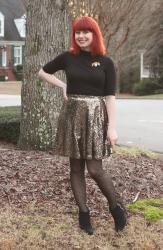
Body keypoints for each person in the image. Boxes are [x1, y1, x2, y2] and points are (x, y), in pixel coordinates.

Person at [38, 16, 127, 235]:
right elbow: (43, 72)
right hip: (72, 117)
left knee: (95, 169)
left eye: (86, 32)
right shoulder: (68, 57)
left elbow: (110, 97)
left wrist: (111, 127)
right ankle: (84, 214)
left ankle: (116, 208)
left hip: (97, 118)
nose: (81, 36)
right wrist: (62, 86)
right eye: (77, 32)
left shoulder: (106, 62)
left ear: (94, 34)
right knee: (76, 168)